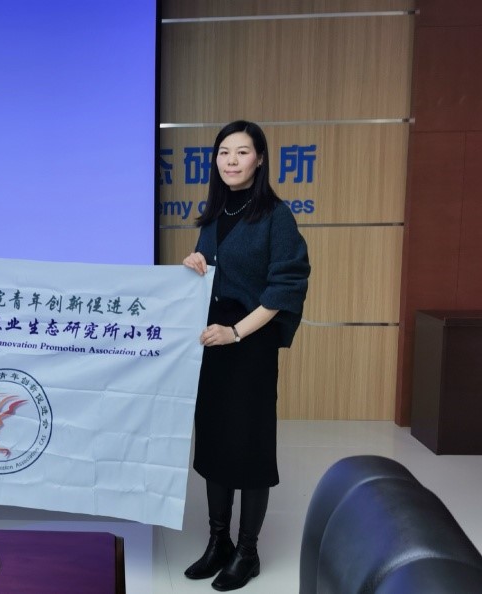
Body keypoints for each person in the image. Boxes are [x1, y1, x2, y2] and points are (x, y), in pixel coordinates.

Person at [182, 121, 310, 591]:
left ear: (259, 159)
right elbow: (213, 275)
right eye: (223, 152)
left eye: (241, 152)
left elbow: (284, 287)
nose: (231, 160)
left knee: (250, 447)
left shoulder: (276, 216)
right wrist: (194, 265)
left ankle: (247, 552)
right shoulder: (214, 213)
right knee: (215, 443)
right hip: (211, 343)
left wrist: (236, 333)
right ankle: (218, 541)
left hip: (249, 343)